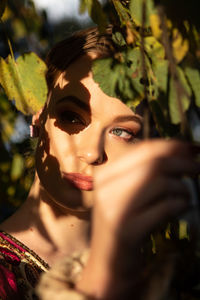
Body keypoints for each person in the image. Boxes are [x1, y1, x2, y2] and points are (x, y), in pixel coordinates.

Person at [0, 26, 199, 300]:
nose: (93, 153)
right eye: (72, 116)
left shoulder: (161, 279)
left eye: (121, 132)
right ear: (39, 115)